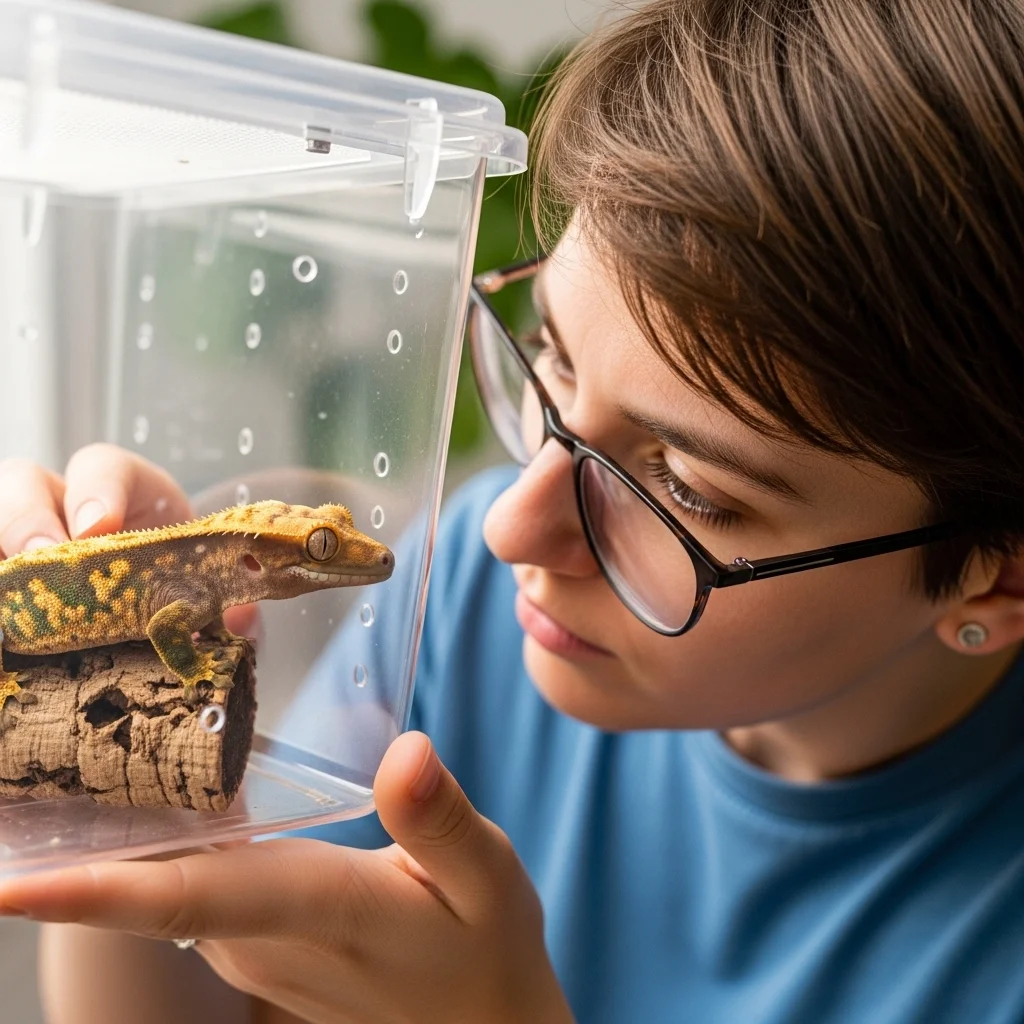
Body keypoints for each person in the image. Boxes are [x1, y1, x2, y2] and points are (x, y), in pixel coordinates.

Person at [5, 0, 1024, 1020]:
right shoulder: (469, 597)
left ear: (998, 578)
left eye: (687, 488)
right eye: (552, 359)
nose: (509, 527)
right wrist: (128, 788)